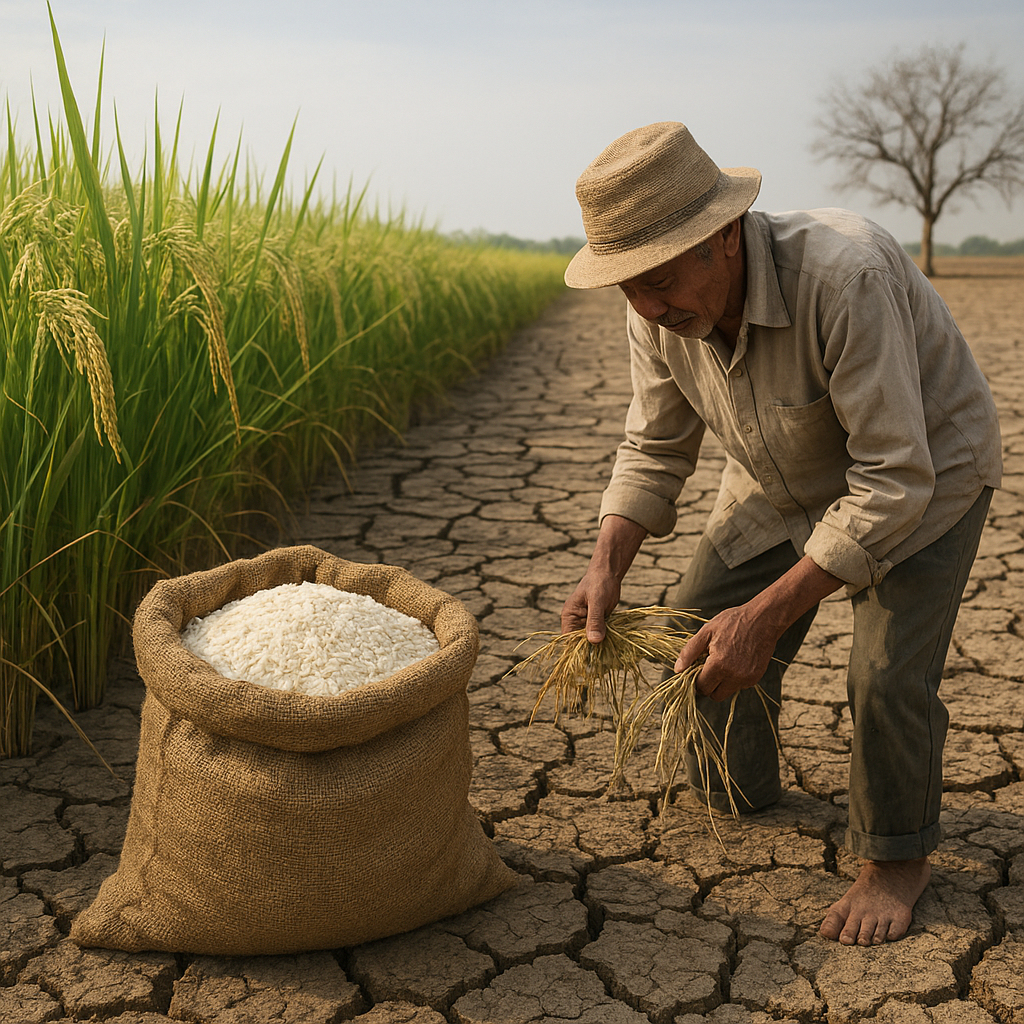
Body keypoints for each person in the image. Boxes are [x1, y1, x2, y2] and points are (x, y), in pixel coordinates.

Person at [560, 122, 1002, 947]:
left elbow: (891, 480)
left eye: (657, 280)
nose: (648, 307)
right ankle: (745, 786)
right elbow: (654, 445)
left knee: (883, 679)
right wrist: (605, 565)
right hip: (778, 474)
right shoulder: (658, 311)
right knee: (699, 624)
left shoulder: (844, 274)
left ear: (723, 235)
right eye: (629, 289)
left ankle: (897, 858)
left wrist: (766, 617)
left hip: (923, 475)